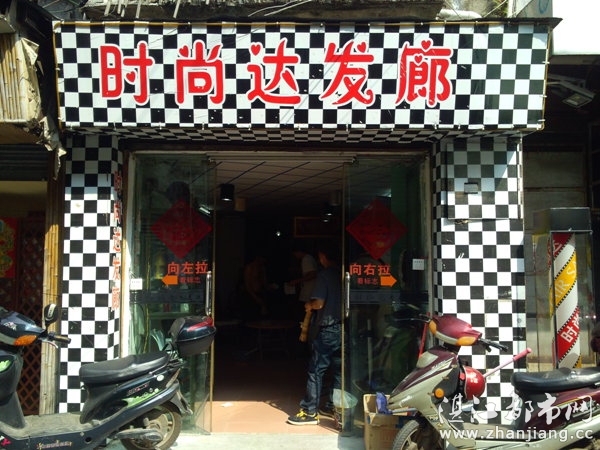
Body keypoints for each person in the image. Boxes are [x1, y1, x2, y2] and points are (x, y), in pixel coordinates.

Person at [287, 242, 343, 426]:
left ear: (323, 257)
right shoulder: (342, 274)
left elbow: (319, 303)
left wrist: (309, 305)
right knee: (338, 371)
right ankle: (333, 406)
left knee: (316, 371)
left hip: (327, 328)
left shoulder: (324, 275)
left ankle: (310, 411)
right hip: (342, 328)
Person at [288, 241, 318, 314]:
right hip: (310, 291)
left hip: (308, 292)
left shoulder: (306, 259)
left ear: (299, 252)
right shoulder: (309, 258)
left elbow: (312, 274)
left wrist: (296, 281)